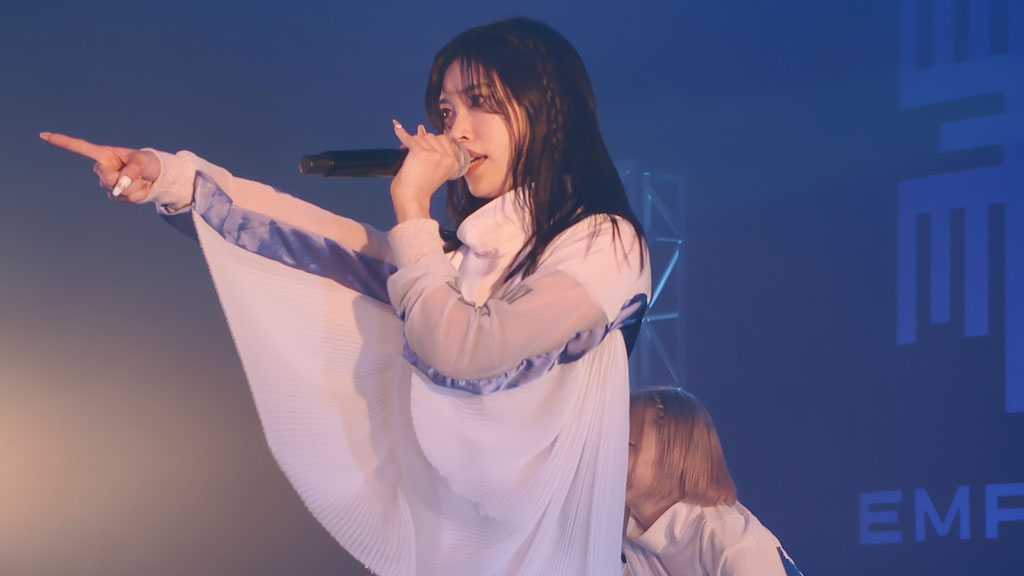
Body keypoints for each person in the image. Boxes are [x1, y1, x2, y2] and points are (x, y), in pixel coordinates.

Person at [43, 17, 651, 576]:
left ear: (550, 107)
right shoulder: (449, 262)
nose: (457, 130)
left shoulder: (605, 244)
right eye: (446, 110)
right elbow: (308, 242)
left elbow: (465, 350)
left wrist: (411, 206)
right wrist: (169, 178)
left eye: (482, 102)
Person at [622, 388, 802, 576]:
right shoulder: (632, 532)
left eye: (628, 443)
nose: (611, 453)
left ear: (676, 456)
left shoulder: (733, 545)